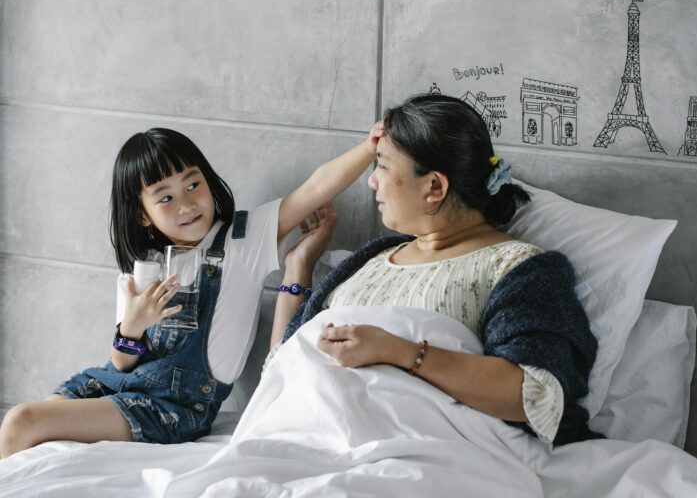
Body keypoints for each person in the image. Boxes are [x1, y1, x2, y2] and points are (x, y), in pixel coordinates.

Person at [0, 125, 382, 458]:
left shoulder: (242, 240)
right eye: (165, 197)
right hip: (111, 382)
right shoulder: (146, 267)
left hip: (173, 408)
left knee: (21, 422)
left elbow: (315, 188)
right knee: (25, 436)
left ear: (208, 181)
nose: (186, 204)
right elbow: (120, 364)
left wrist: (371, 146)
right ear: (142, 214)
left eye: (193, 184)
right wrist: (131, 328)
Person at [270, 94, 600, 445]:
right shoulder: (367, 261)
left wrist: (398, 351)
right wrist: (298, 266)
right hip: (308, 437)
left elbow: (534, 394)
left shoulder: (519, 267)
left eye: (381, 165)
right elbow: (280, 369)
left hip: (418, 451)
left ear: (434, 186)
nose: (371, 181)